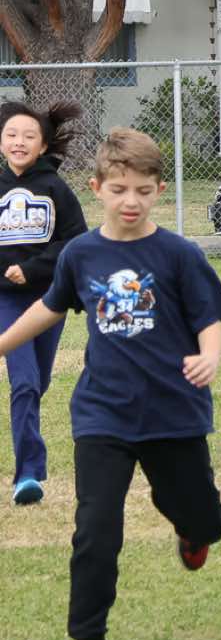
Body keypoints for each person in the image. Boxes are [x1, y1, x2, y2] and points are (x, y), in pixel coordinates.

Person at [0, 130, 221, 640]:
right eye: (120, 189)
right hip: (102, 413)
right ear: (97, 187)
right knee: (95, 529)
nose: (132, 201)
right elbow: (50, 307)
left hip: (173, 412)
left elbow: (208, 317)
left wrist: (209, 357)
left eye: (144, 191)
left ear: (159, 191)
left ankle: (195, 529)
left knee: (201, 514)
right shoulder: (81, 254)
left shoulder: (179, 254)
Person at [0, 101, 88, 506]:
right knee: (24, 381)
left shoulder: (55, 188)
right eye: (11, 135)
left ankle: (28, 420)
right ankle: (28, 475)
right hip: (5, 300)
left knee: (38, 382)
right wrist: (9, 273)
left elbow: (75, 239)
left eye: (29, 136)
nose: (19, 142)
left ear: (43, 145)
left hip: (48, 298)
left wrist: (33, 269)